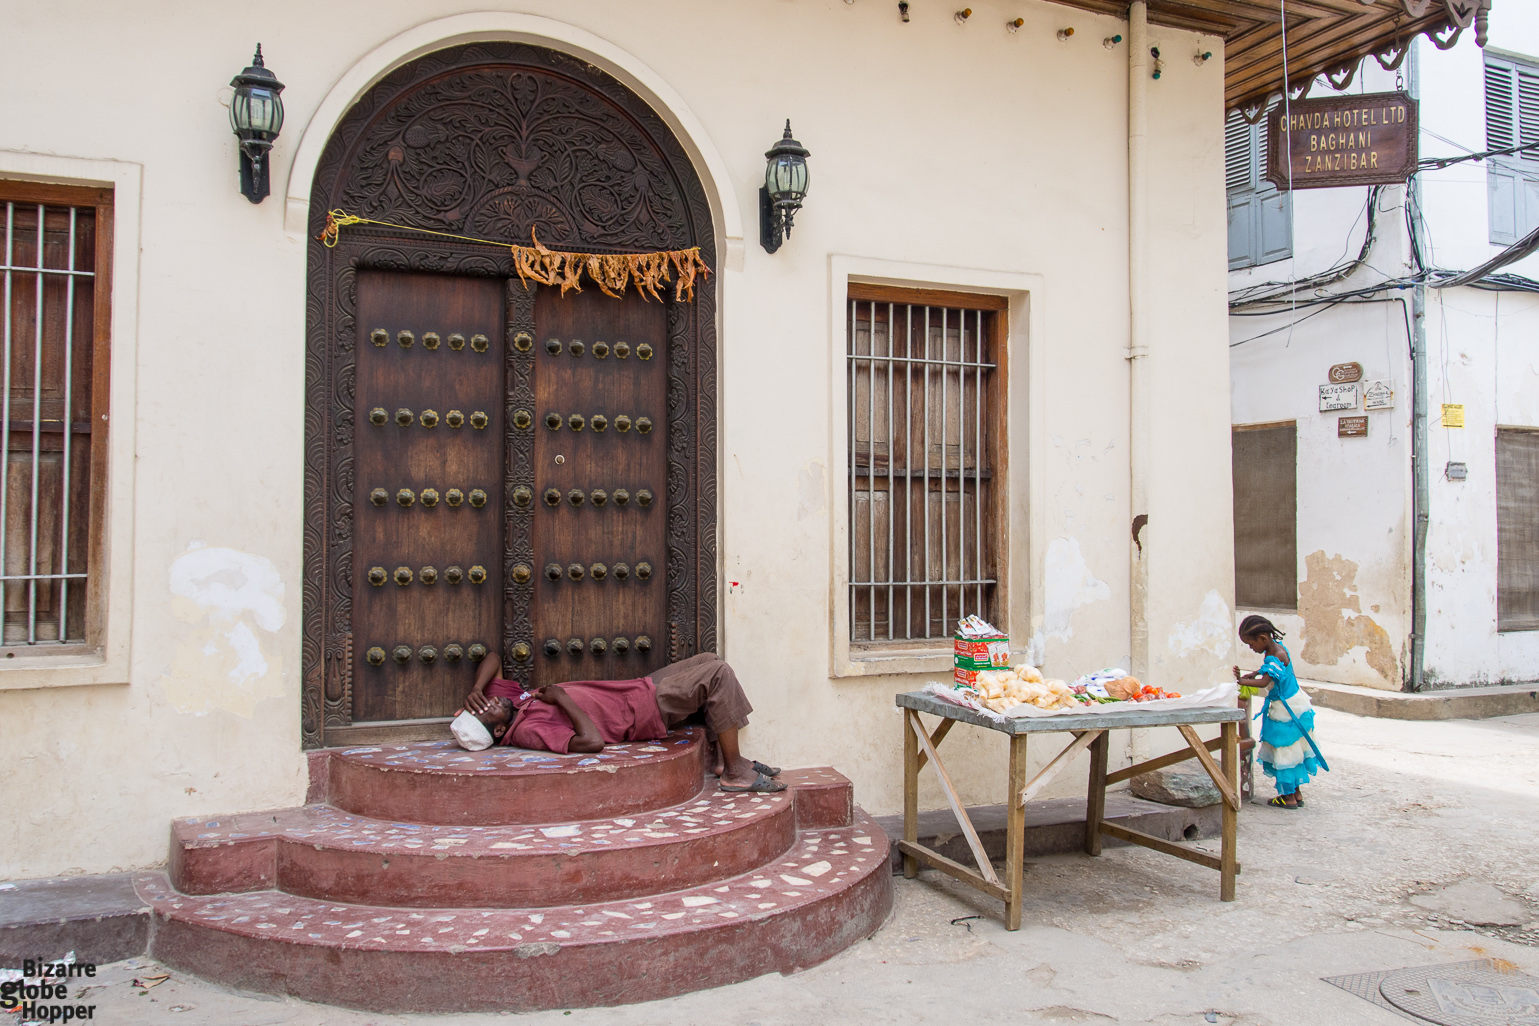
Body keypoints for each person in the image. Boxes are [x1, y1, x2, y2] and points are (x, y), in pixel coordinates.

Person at [460, 652, 785, 793]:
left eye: (484, 700)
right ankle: (733, 772)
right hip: (641, 710)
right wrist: (562, 698)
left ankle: (725, 761)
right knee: (718, 675)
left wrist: (476, 690)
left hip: (637, 688)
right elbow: (591, 742)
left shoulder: (511, 703)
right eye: (485, 708)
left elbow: (493, 657)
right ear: (499, 731)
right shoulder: (527, 730)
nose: (490, 701)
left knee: (709, 660)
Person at [1233, 614, 1327, 809]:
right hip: (1296, 703)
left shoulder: (1273, 656)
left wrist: (1241, 681)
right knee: (1295, 751)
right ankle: (1297, 793)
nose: (1252, 648)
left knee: (1283, 751)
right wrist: (1256, 672)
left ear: (1262, 639)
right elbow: (1270, 671)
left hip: (1285, 710)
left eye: (1251, 645)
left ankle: (1288, 797)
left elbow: (1264, 682)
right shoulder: (1279, 649)